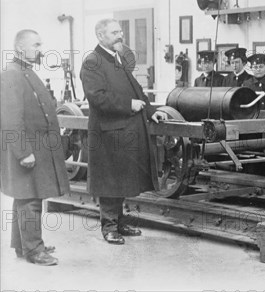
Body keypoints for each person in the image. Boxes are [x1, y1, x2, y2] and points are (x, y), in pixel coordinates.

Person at [80, 19, 168, 245]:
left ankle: (118, 222)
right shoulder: (93, 62)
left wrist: (149, 111)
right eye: (115, 32)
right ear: (100, 36)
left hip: (123, 131)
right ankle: (109, 227)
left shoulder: (118, 58)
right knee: (110, 180)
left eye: (121, 31)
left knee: (121, 179)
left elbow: (136, 91)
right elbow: (98, 98)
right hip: (107, 134)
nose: (121, 36)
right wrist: (129, 104)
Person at [0, 29, 70, 265]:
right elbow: (10, 119)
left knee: (26, 196)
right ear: (20, 48)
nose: (41, 49)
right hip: (27, 148)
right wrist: (23, 152)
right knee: (29, 198)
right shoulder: (11, 74)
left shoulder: (24, 71)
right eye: (36, 44)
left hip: (35, 147)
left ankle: (23, 245)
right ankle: (34, 250)